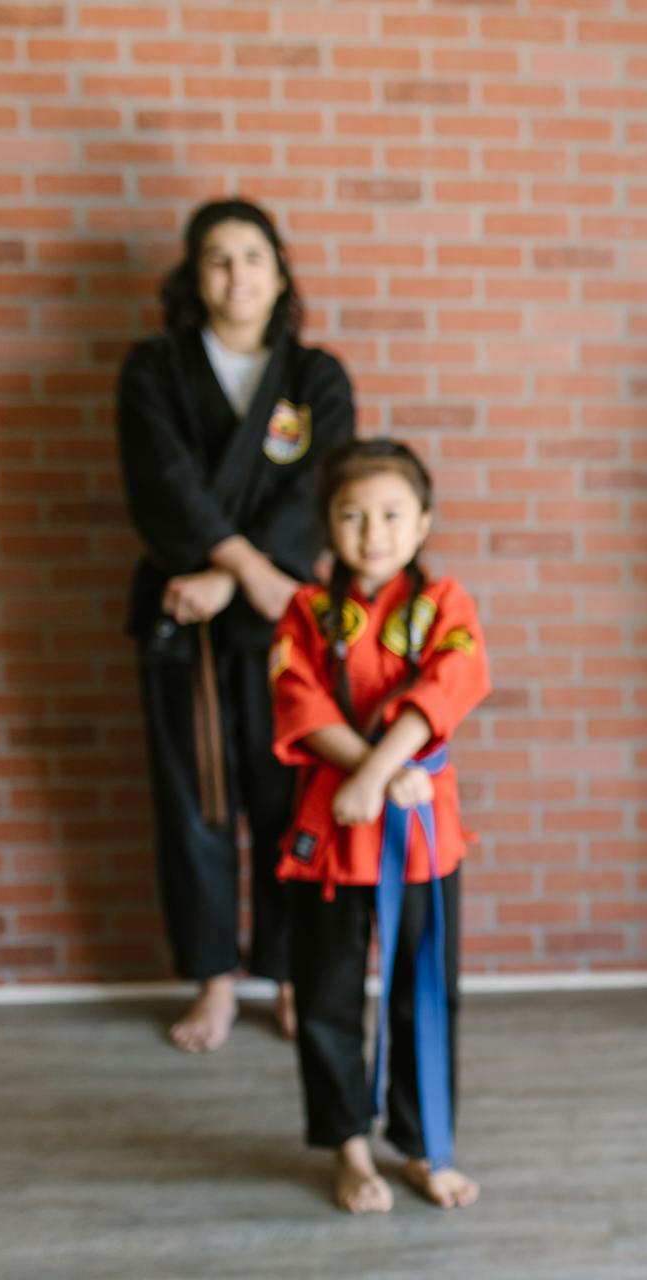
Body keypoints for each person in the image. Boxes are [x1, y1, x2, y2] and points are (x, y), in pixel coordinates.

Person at [116, 197, 354, 1052]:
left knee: (290, 798)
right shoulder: (154, 369)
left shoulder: (315, 377)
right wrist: (239, 571)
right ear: (194, 276)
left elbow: (320, 486)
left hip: (281, 621)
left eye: (253, 256)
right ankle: (215, 981)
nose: (237, 275)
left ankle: (288, 976)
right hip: (186, 617)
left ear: (281, 273)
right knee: (195, 803)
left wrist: (242, 578)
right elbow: (161, 480)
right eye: (217, 258)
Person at [270, 439, 490, 1213]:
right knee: (326, 998)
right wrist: (369, 773)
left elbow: (451, 683)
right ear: (327, 523)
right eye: (353, 515)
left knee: (423, 993)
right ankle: (350, 1149)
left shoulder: (444, 603)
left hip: (418, 828)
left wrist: (380, 772)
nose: (373, 533)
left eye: (393, 514)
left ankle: (426, 1146)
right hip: (333, 833)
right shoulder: (304, 611)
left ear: (423, 522)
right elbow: (299, 702)